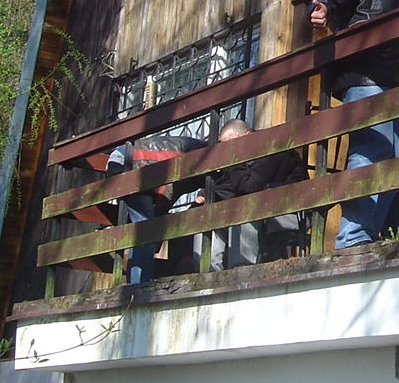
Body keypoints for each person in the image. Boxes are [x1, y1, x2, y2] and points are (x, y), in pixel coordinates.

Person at [310, 0, 399, 248]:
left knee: (396, 158)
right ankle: (352, 238)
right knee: (370, 151)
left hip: (391, 78)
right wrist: (323, 6)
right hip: (365, 73)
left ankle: (369, 234)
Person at [106, 133, 207, 283]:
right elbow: (167, 187)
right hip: (128, 161)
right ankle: (138, 284)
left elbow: (168, 193)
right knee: (146, 230)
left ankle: (137, 282)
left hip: (132, 163)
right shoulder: (200, 156)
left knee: (144, 230)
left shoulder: (195, 165)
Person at [210, 118, 308, 266]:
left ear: (247, 136)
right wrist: (209, 193)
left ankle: (241, 271)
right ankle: (209, 272)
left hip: (293, 212)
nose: (230, 152)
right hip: (266, 210)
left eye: (232, 145)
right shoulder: (244, 159)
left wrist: (234, 161)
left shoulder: (271, 146)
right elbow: (228, 188)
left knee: (244, 210)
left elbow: (249, 187)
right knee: (210, 216)